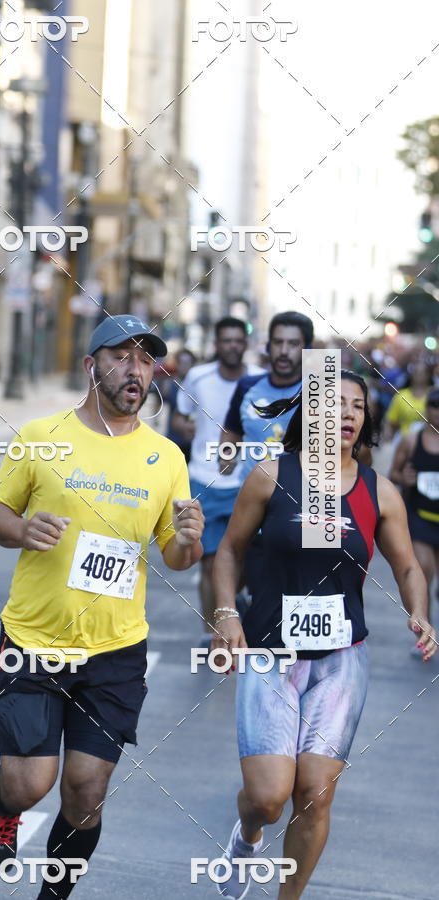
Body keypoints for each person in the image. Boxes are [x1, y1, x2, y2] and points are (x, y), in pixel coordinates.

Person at [0, 314, 204, 898]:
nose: (136, 370)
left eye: (146, 360)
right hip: (35, 638)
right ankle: (1, 804)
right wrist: (22, 529)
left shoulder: (166, 457)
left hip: (116, 649)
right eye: (122, 357)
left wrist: (190, 538)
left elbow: (177, 558)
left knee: (84, 792)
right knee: (30, 784)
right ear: (91, 366)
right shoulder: (41, 436)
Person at [211, 371, 436, 899]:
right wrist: (226, 613)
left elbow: (407, 568)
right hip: (271, 652)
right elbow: (230, 550)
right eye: (336, 404)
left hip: (341, 657)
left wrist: (419, 613)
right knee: (268, 797)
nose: (349, 414)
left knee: (314, 794)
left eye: (358, 406)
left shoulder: (379, 492)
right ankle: (247, 836)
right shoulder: (271, 475)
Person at [171, 318, 263, 640]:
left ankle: (231, 606)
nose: (233, 346)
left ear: (245, 345)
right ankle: (212, 632)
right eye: (227, 340)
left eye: (239, 341)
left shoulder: (258, 380)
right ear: (216, 344)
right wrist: (185, 427)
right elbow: (180, 415)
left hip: (246, 481)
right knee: (209, 562)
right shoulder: (198, 377)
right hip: (204, 479)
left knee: (246, 560)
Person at [218, 311, 314, 597]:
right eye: (278, 342)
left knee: (292, 599)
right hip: (252, 511)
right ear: (268, 345)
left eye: (293, 344)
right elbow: (231, 431)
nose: (283, 351)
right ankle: (219, 631)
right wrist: (226, 457)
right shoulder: (248, 386)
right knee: (236, 584)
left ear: (307, 348)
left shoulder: (320, 390)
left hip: (301, 512)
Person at [390, 385, 439, 643]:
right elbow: (393, 473)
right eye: (434, 406)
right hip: (420, 517)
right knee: (425, 570)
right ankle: (425, 632)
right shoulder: (412, 439)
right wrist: (404, 478)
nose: (438, 412)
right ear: (427, 410)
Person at [383, 354, 434, 441]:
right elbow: (390, 420)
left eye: (422, 373)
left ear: (428, 375)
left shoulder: (434, 394)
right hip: (404, 440)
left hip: (429, 442)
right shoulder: (401, 396)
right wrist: (388, 434)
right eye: (416, 372)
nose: (419, 375)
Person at [163, 348, 197, 462]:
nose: (184, 367)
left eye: (188, 363)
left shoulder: (198, 387)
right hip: (173, 438)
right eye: (182, 363)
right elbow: (159, 406)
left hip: (192, 441)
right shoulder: (168, 385)